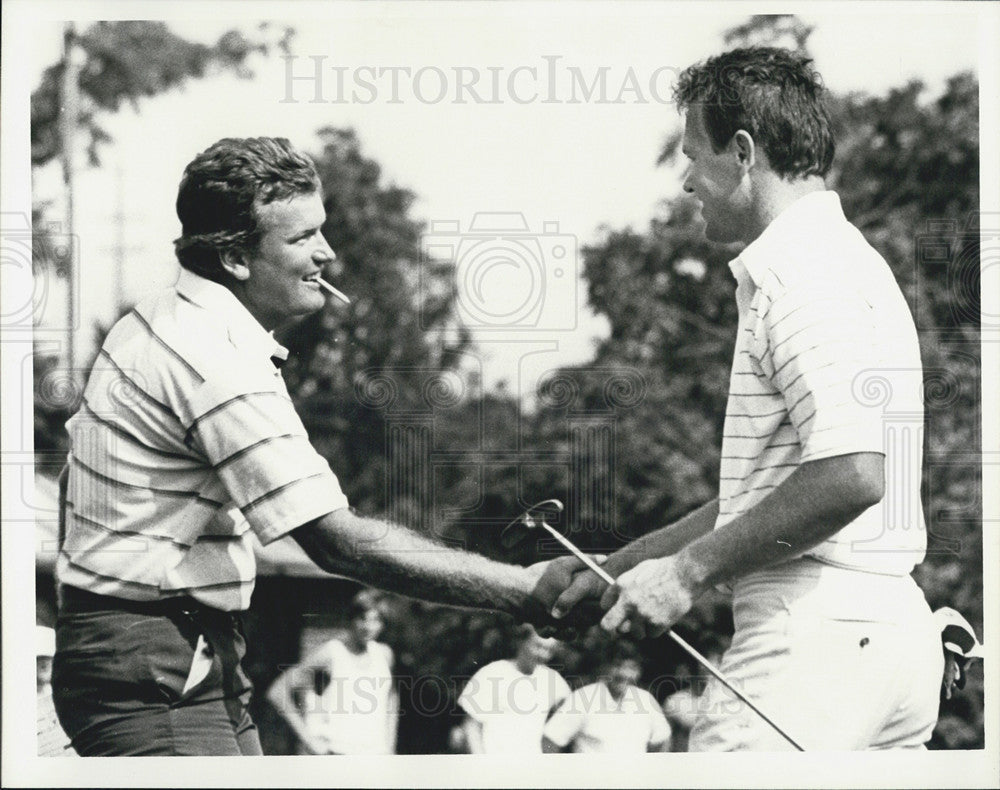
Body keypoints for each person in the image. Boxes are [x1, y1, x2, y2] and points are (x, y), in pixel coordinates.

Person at [51, 136, 582, 756]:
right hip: (156, 665)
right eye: (302, 239)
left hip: (168, 655)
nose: (327, 254)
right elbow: (339, 545)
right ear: (236, 258)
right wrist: (524, 589)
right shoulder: (213, 360)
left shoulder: (156, 319)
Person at [537, 47, 943, 751]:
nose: (689, 181)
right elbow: (767, 495)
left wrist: (687, 575)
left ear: (744, 152)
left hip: (815, 640)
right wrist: (627, 566)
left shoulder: (802, 272)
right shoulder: (846, 260)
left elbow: (852, 474)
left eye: (695, 156)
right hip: (886, 638)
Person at [266, 589, 397, 755]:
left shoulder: (384, 654)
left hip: (375, 756)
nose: (368, 626)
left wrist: (390, 745)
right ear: (352, 619)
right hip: (338, 753)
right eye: (362, 618)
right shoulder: (333, 652)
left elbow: (391, 698)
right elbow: (277, 691)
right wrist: (308, 740)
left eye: (376, 620)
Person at [457, 625, 570, 754]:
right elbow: (471, 726)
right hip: (494, 763)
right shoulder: (493, 672)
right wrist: (481, 764)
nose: (543, 654)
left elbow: (571, 715)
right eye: (538, 646)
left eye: (550, 650)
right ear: (521, 641)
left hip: (532, 766)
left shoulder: (553, 680)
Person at [541, 642, 670, 754]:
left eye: (631, 667)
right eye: (617, 665)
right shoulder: (583, 698)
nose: (623, 674)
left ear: (639, 671)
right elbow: (550, 741)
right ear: (606, 667)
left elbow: (662, 738)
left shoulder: (645, 700)